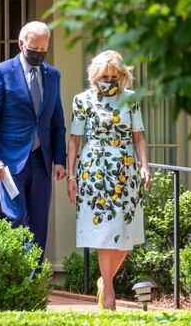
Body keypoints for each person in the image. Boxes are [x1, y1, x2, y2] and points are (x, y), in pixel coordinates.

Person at [66, 50, 151, 310]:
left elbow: (139, 137)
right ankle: (110, 294)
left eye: (114, 75)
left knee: (126, 236)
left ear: (122, 76)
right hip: (95, 171)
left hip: (125, 171)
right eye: (105, 75)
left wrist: (144, 166)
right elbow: (74, 139)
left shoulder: (130, 101)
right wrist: (71, 174)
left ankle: (105, 280)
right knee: (104, 234)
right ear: (95, 76)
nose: (109, 79)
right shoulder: (82, 100)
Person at [0, 21, 66, 258]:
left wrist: (60, 160)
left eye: (43, 50)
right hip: (9, 163)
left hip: (41, 160)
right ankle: (15, 275)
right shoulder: (1, 72)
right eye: (33, 49)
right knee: (14, 217)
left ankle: (33, 280)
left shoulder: (53, 75)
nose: (38, 54)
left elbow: (57, 122)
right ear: (21, 44)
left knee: (38, 221)